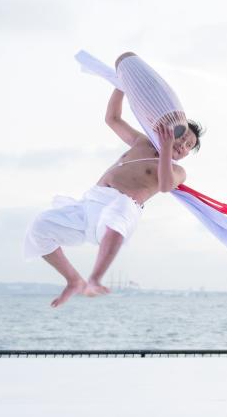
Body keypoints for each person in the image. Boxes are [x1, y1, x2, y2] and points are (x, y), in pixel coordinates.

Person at [25, 87, 203, 308]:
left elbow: (166, 186)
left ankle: (94, 279)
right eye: (183, 137)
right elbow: (112, 118)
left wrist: (166, 150)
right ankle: (73, 280)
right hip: (90, 204)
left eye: (189, 147)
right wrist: (121, 86)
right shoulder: (142, 142)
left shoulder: (177, 171)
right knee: (40, 226)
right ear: (172, 130)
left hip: (124, 206)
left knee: (116, 216)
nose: (183, 146)